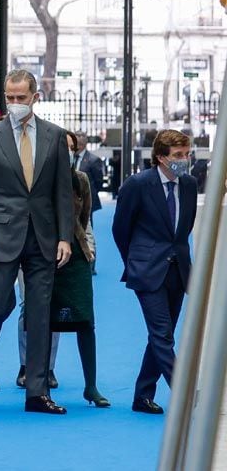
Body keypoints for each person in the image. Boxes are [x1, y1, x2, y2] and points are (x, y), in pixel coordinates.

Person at [0, 69, 73, 415]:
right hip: (1, 236)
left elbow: (62, 193)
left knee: (39, 314)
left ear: (36, 97)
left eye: (21, 98)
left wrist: (65, 236)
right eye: (10, 98)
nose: (15, 104)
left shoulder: (54, 136)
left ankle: (36, 392)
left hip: (43, 237)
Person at [112, 129, 196, 415]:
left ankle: (142, 395)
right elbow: (120, 229)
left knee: (163, 334)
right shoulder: (137, 185)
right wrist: (135, 261)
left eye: (187, 154)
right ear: (160, 157)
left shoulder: (189, 184)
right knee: (162, 334)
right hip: (147, 269)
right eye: (178, 156)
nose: (184, 160)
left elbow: (183, 231)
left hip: (179, 269)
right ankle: (184, 392)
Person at [48, 131, 110, 407]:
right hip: (45, 259)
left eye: (72, 148)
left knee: (86, 321)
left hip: (76, 258)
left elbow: (84, 220)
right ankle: (39, 378)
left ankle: (91, 386)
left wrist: (89, 248)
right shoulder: (39, 181)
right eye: (64, 148)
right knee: (43, 321)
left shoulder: (81, 180)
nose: (69, 153)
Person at [74, 131, 104, 274]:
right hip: (72, 201)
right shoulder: (70, 157)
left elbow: (99, 182)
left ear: (85, 143)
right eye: (76, 142)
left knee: (87, 229)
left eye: (81, 142)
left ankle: (92, 263)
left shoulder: (93, 160)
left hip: (87, 201)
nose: (78, 145)